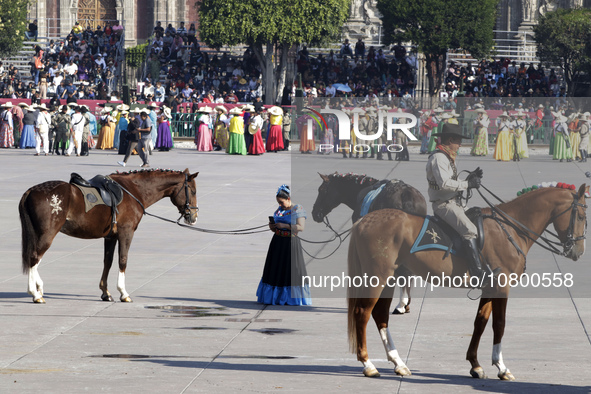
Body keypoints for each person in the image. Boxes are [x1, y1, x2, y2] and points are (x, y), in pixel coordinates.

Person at [427, 123, 492, 283]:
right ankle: (477, 274)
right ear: (450, 140)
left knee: (481, 220)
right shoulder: (439, 158)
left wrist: (468, 179)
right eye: (458, 141)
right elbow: (444, 184)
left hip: (455, 202)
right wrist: (467, 184)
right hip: (444, 205)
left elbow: (453, 181)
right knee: (470, 230)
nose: (460, 144)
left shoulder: (448, 156)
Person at [256, 185, 311, 306]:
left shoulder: (298, 209)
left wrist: (285, 226)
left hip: (290, 243)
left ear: (288, 198)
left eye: (281, 202)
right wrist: (273, 226)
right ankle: (275, 297)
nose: (280, 205)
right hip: (277, 242)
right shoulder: (279, 210)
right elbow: (276, 226)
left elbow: (301, 227)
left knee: (291, 271)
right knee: (275, 269)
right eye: (278, 203)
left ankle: (291, 298)